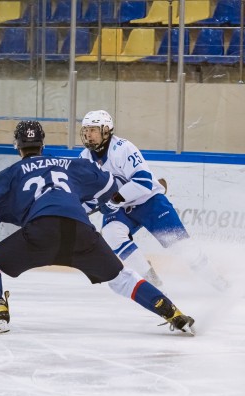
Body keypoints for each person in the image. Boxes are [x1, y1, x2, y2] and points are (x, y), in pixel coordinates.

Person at [0, 120, 196, 335]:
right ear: (42, 145)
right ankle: (171, 311)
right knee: (121, 277)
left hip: (41, 232)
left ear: (17, 147)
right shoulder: (71, 165)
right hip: (80, 232)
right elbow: (114, 186)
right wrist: (109, 200)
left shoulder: (12, 173)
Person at [79, 109, 228, 291]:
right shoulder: (84, 158)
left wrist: (113, 201)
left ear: (106, 130)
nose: (88, 135)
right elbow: (89, 193)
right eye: (85, 130)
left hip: (149, 202)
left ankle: (219, 283)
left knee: (182, 248)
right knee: (111, 233)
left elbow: (143, 182)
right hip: (121, 208)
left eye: (93, 130)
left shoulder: (123, 149)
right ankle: (151, 280)